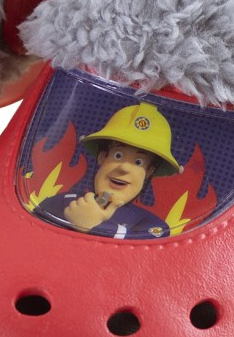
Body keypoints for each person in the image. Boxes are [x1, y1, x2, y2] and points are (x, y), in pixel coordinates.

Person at [38, 102, 180, 239]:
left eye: (138, 162)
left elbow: (144, 246)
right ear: (102, 157)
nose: (124, 168)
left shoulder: (152, 224)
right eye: (118, 156)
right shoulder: (63, 202)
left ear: (149, 172)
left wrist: (95, 225)